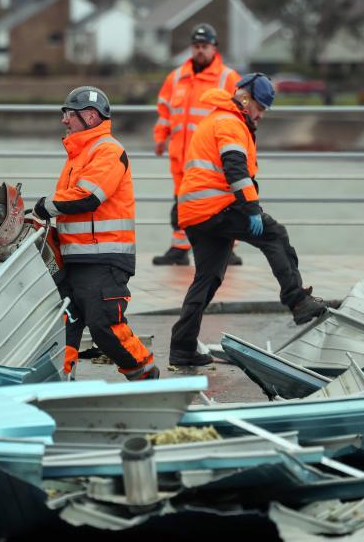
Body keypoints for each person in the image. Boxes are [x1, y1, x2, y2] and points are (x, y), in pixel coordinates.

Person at [168, 73, 327, 368]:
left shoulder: (218, 119)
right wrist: (253, 209)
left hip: (195, 212)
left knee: (206, 279)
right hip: (215, 208)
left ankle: (182, 348)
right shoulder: (230, 123)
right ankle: (297, 300)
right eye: (260, 107)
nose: (261, 115)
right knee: (275, 235)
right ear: (245, 99)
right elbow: (236, 171)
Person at [33, 86, 159, 381]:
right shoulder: (79, 154)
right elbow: (71, 205)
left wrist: (44, 207)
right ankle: (60, 381)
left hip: (104, 257)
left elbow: (88, 197)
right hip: (78, 257)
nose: (64, 120)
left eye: (69, 114)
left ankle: (144, 372)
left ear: (89, 116)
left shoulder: (108, 151)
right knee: (65, 321)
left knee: (104, 326)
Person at [152, 23, 242, 266]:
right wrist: (160, 136)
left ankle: (227, 250)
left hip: (212, 158)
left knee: (220, 203)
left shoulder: (228, 78)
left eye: (204, 46)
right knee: (182, 206)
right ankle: (180, 249)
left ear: (214, 48)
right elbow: (164, 110)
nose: (200, 51)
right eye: (196, 46)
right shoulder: (176, 77)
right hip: (180, 158)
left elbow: (240, 114)